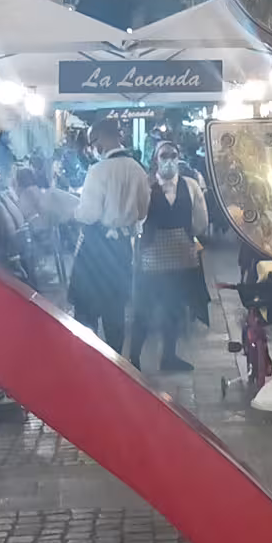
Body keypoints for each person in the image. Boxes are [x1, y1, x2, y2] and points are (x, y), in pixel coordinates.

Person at [71, 121, 150, 350]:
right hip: (122, 247)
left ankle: (89, 358)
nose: (93, 148)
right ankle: (115, 359)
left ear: (102, 140)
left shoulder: (98, 170)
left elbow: (89, 214)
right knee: (115, 308)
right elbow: (143, 211)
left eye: (93, 142)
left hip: (96, 247)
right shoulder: (137, 169)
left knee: (86, 309)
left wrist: (74, 212)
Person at [131, 142, 209, 372]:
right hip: (151, 257)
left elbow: (201, 221)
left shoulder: (191, 186)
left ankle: (169, 357)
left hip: (182, 256)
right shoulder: (145, 186)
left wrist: (186, 236)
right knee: (144, 309)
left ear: (179, 157)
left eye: (173, 155)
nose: (169, 160)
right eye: (164, 155)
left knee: (174, 308)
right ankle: (133, 358)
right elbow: (136, 218)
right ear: (155, 159)